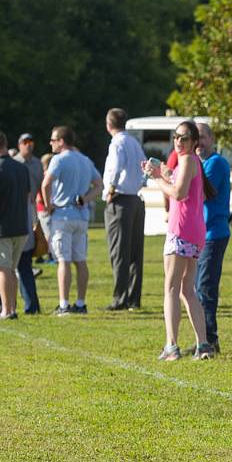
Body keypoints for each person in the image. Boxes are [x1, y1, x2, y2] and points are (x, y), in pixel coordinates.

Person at [142, 120, 213, 360]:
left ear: (194, 142)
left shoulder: (186, 159)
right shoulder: (193, 162)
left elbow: (179, 193)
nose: (179, 142)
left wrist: (156, 178)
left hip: (181, 231)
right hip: (194, 232)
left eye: (184, 138)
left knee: (171, 288)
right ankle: (203, 345)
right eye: (176, 137)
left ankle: (172, 346)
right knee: (187, 290)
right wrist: (165, 174)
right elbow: (185, 187)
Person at [42, 126, 102, 315]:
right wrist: (86, 198)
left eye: (53, 140)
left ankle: (64, 304)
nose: (51, 143)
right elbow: (99, 185)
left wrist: (48, 205)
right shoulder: (85, 160)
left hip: (62, 215)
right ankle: (81, 302)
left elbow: (46, 184)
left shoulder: (58, 160)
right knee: (80, 261)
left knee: (63, 260)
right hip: (81, 216)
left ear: (61, 141)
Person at [0, 131, 32, 321]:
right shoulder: (21, 167)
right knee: (11, 269)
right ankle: (12, 308)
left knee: (3, 269)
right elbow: (27, 197)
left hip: (1, 227)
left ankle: (6, 310)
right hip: (20, 225)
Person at [102, 108, 146, 311]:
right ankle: (133, 298)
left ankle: (120, 298)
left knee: (119, 251)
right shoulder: (134, 142)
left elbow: (116, 167)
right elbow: (145, 166)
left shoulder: (117, 143)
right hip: (136, 199)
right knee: (135, 252)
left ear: (109, 124)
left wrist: (110, 188)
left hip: (120, 199)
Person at [195, 122, 231, 356]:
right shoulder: (201, 163)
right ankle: (204, 338)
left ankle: (210, 339)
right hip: (200, 234)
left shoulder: (216, 162)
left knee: (205, 288)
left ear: (212, 139)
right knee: (198, 288)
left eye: (202, 137)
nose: (198, 142)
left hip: (214, 233)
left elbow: (204, 193)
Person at [13, 134, 42, 314]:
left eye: (31, 142)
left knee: (23, 262)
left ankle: (30, 304)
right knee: (21, 264)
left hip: (30, 210)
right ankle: (28, 303)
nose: (28, 146)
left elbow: (38, 188)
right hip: (19, 211)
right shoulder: (14, 163)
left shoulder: (37, 164)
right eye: (25, 143)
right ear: (19, 145)